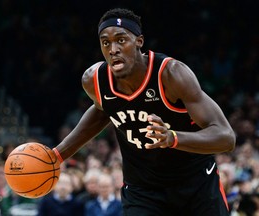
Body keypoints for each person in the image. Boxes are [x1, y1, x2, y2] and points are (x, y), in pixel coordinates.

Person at [52, 8, 236, 216]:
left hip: (195, 184)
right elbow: (102, 110)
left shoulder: (171, 74)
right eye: (106, 43)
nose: (113, 49)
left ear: (139, 41)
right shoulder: (94, 80)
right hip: (143, 191)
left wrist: (172, 138)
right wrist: (57, 155)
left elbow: (226, 137)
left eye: (121, 40)